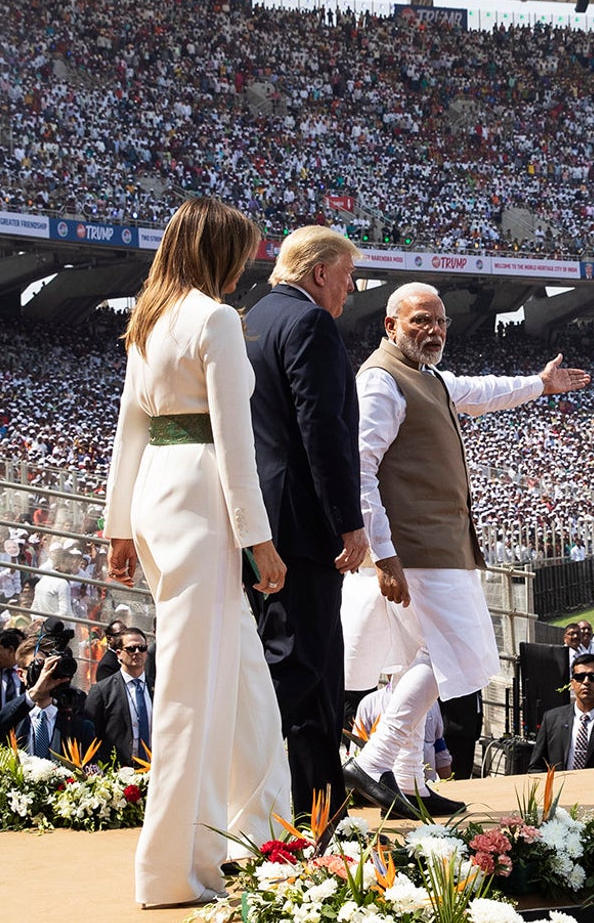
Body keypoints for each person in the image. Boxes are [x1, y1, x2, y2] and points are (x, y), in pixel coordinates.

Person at [104, 197, 292, 910]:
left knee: (244, 680)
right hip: (205, 502)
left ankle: (268, 835)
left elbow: (130, 428)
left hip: (158, 494)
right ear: (219, 250)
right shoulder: (214, 318)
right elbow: (235, 441)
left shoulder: (148, 319)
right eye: (242, 249)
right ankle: (174, 871)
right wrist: (259, 540)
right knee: (191, 692)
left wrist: (119, 525)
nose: (249, 261)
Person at [344, 280, 591, 783]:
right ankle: (374, 763)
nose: (433, 330)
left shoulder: (427, 377)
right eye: (420, 321)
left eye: (440, 321)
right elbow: (360, 471)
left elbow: (481, 392)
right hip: (417, 549)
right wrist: (384, 553)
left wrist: (539, 385)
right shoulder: (380, 381)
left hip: (434, 546)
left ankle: (410, 779)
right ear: (391, 325)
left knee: (415, 662)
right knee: (461, 652)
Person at [244, 225, 369, 816]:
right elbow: (324, 432)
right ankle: (236, 778)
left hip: (263, 516)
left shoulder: (253, 319)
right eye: (347, 277)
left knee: (321, 668)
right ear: (320, 272)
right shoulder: (310, 324)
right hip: (301, 522)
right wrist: (349, 521)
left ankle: (321, 804)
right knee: (294, 662)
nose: (350, 289)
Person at [0, 646, 98, 761]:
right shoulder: (11, 718)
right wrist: (33, 694)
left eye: (50, 668)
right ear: (21, 675)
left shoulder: (78, 726)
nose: (45, 676)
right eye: (39, 668)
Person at [84, 626, 155, 766]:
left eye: (142, 648)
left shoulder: (157, 689)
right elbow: (89, 737)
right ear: (118, 654)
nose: (137, 652)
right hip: (116, 773)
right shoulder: (102, 691)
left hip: (152, 772)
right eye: (130, 649)